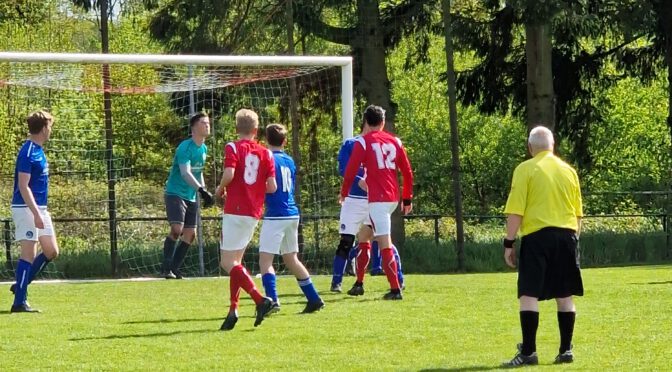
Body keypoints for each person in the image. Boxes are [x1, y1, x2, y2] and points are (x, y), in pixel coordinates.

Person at [501, 126, 584, 367]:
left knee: (528, 293)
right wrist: (574, 240)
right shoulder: (569, 171)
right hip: (567, 235)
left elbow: (516, 210)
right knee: (565, 294)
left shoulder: (525, 169)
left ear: (530, 148)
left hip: (538, 237)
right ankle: (565, 349)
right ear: (553, 145)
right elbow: (578, 214)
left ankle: (529, 352)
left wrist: (509, 242)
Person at [340, 104, 413, 300]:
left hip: (378, 200)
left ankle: (395, 289)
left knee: (384, 244)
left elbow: (350, 171)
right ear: (382, 122)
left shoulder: (363, 143)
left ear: (366, 121)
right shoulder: (395, 141)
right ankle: (359, 283)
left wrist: (344, 192)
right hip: (391, 198)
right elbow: (407, 172)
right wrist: (407, 197)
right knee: (364, 237)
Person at [216, 109, 276, 331]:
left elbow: (230, 173)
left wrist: (221, 188)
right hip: (254, 211)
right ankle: (233, 310)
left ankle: (260, 300)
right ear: (256, 130)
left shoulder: (232, 147)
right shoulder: (266, 153)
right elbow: (272, 186)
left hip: (235, 209)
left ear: (236, 128)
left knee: (227, 262)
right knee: (236, 263)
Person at [258, 123, 325, 314]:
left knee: (265, 261)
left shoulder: (267, 157)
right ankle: (314, 298)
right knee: (291, 258)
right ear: (285, 141)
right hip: (292, 213)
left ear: (265, 141)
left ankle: (273, 301)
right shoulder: (289, 160)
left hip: (276, 215)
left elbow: (270, 186)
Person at [9, 110, 59, 313]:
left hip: (40, 209)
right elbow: (23, 186)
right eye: (50, 127)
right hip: (26, 208)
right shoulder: (28, 151)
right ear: (43, 128)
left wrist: (40, 212)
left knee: (51, 251)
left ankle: (20, 285)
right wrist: (36, 213)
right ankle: (19, 303)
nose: (51, 131)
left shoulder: (38, 150)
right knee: (28, 254)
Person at [161, 112, 214, 279]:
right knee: (177, 229)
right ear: (193, 127)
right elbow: (185, 173)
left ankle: (175, 268)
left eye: (208, 123)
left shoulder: (204, 148)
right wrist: (201, 190)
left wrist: (204, 189)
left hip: (191, 195)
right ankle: (165, 267)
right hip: (175, 193)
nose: (207, 125)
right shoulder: (185, 147)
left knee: (190, 235)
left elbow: (198, 173)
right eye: (203, 123)